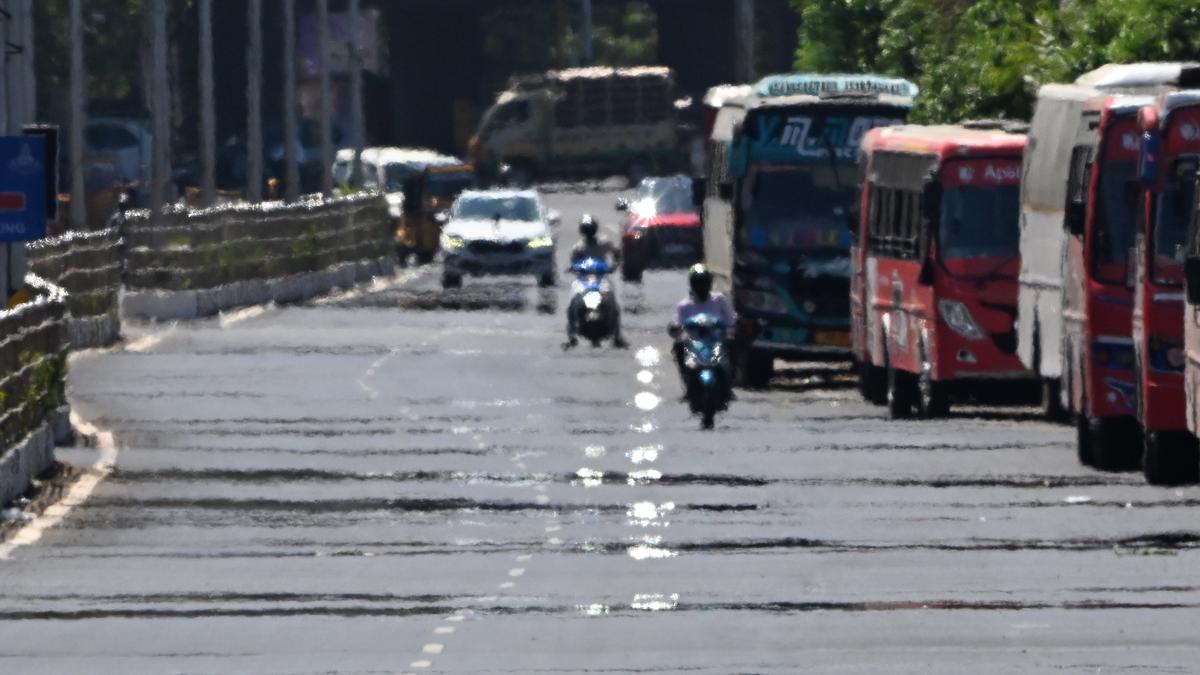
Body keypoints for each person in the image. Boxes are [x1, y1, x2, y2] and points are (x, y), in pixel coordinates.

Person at [564, 214, 628, 349]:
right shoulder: (578, 248)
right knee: (571, 304)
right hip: (582, 281)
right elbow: (573, 263)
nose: (589, 233)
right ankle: (571, 336)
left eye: (590, 229)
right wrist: (572, 268)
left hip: (601, 279)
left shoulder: (604, 243)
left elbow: (617, 253)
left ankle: (617, 336)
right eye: (587, 230)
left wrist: (614, 266)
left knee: (613, 305)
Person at [669, 264, 736, 384]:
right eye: (698, 283)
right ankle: (685, 378)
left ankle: (730, 380)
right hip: (695, 345)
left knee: (733, 343)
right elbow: (677, 323)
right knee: (678, 345)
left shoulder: (719, 300)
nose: (702, 286)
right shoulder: (684, 306)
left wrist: (730, 328)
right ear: (692, 284)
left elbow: (731, 319)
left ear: (710, 284)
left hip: (716, 342)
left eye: (704, 282)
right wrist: (676, 328)